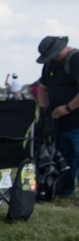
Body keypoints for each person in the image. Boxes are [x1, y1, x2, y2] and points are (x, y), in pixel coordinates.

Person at [36, 35, 79, 197]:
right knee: (63, 158)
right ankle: (65, 190)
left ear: (60, 50)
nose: (50, 60)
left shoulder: (76, 59)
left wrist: (67, 108)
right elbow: (43, 88)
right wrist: (44, 108)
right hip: (59, 123)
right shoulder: (50, 65)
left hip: (76, 121)